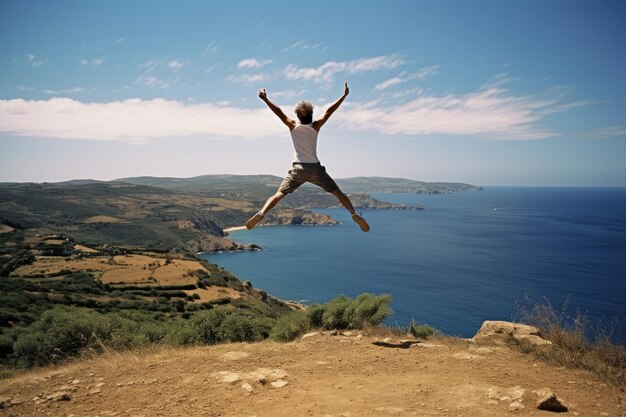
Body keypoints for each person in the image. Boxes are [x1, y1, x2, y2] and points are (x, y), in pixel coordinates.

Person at [246, 82, 370, 232]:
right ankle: (353, 213)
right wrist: (344, 95)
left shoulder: (292, 125)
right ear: (311, 115)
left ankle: (262, 213)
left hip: (298, 168)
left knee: (279, 194)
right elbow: (329, 111)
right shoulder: (316, 126)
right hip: (315, 169)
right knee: (338, 193)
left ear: (298, 116)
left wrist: (265, 99)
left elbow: (278, 112)